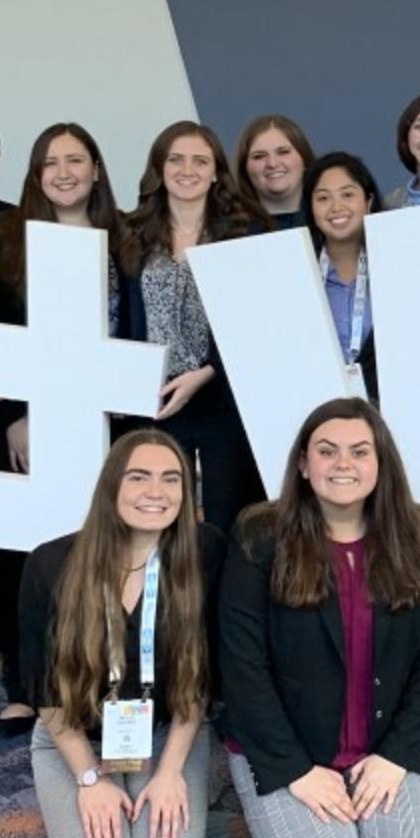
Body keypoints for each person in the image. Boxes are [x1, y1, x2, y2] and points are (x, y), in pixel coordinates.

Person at [219, 399, 420, 838]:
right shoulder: (260, 536)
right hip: (289, 748)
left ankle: (354, 801)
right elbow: (242, 669)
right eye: (326, 451)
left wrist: (397, 756)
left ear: (380, 463)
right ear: (304, 465)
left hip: (382, 741)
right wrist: (296, 773)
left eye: (359, 451)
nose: (343, 464)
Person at [23, 429, 222, 838]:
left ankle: (177, 779)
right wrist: (90, 779)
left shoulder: (206, 552)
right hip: (75, 735)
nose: (156, 492)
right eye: (139, 477)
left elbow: (204, 674)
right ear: (111, 485)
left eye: (171, 480)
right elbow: (43, 689)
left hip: (168, 732)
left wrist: (171, 770)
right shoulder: (51, 563)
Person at [0, 122, 130, 738]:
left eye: (76, 160)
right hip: (32, 422)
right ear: (34, 174)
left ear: (97, 169)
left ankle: (110, 675)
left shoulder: (125, 237)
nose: (64, 172)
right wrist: (17, 414)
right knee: (28, 555)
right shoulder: (1, 240)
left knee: (113, 550)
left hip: (115, 420)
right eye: (50, 163)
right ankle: (24, 685)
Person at [120, 121, 265, 534]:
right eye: (176, 160)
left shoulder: (246, 233)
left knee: (227, 519)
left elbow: (255, 321)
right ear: (159, 168)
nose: (188, 170)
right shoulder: (131, 233)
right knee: (158, 520)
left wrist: (206, 372)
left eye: (200, 161)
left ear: (217, 171)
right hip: (154, 402)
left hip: (223, 400)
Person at [303, 151, 381, 398]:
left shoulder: (399, 267)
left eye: (348, 195)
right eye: (323, 198)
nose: (336, 207)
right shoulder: (299, 274)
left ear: (368, 202)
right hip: (318, 408)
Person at [236, 114, 314, 232]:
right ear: (244, 169)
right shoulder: (230, 233)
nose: (272, 164)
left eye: (283, 152)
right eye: (259, 156)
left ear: (304, 158)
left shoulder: (333, 222)